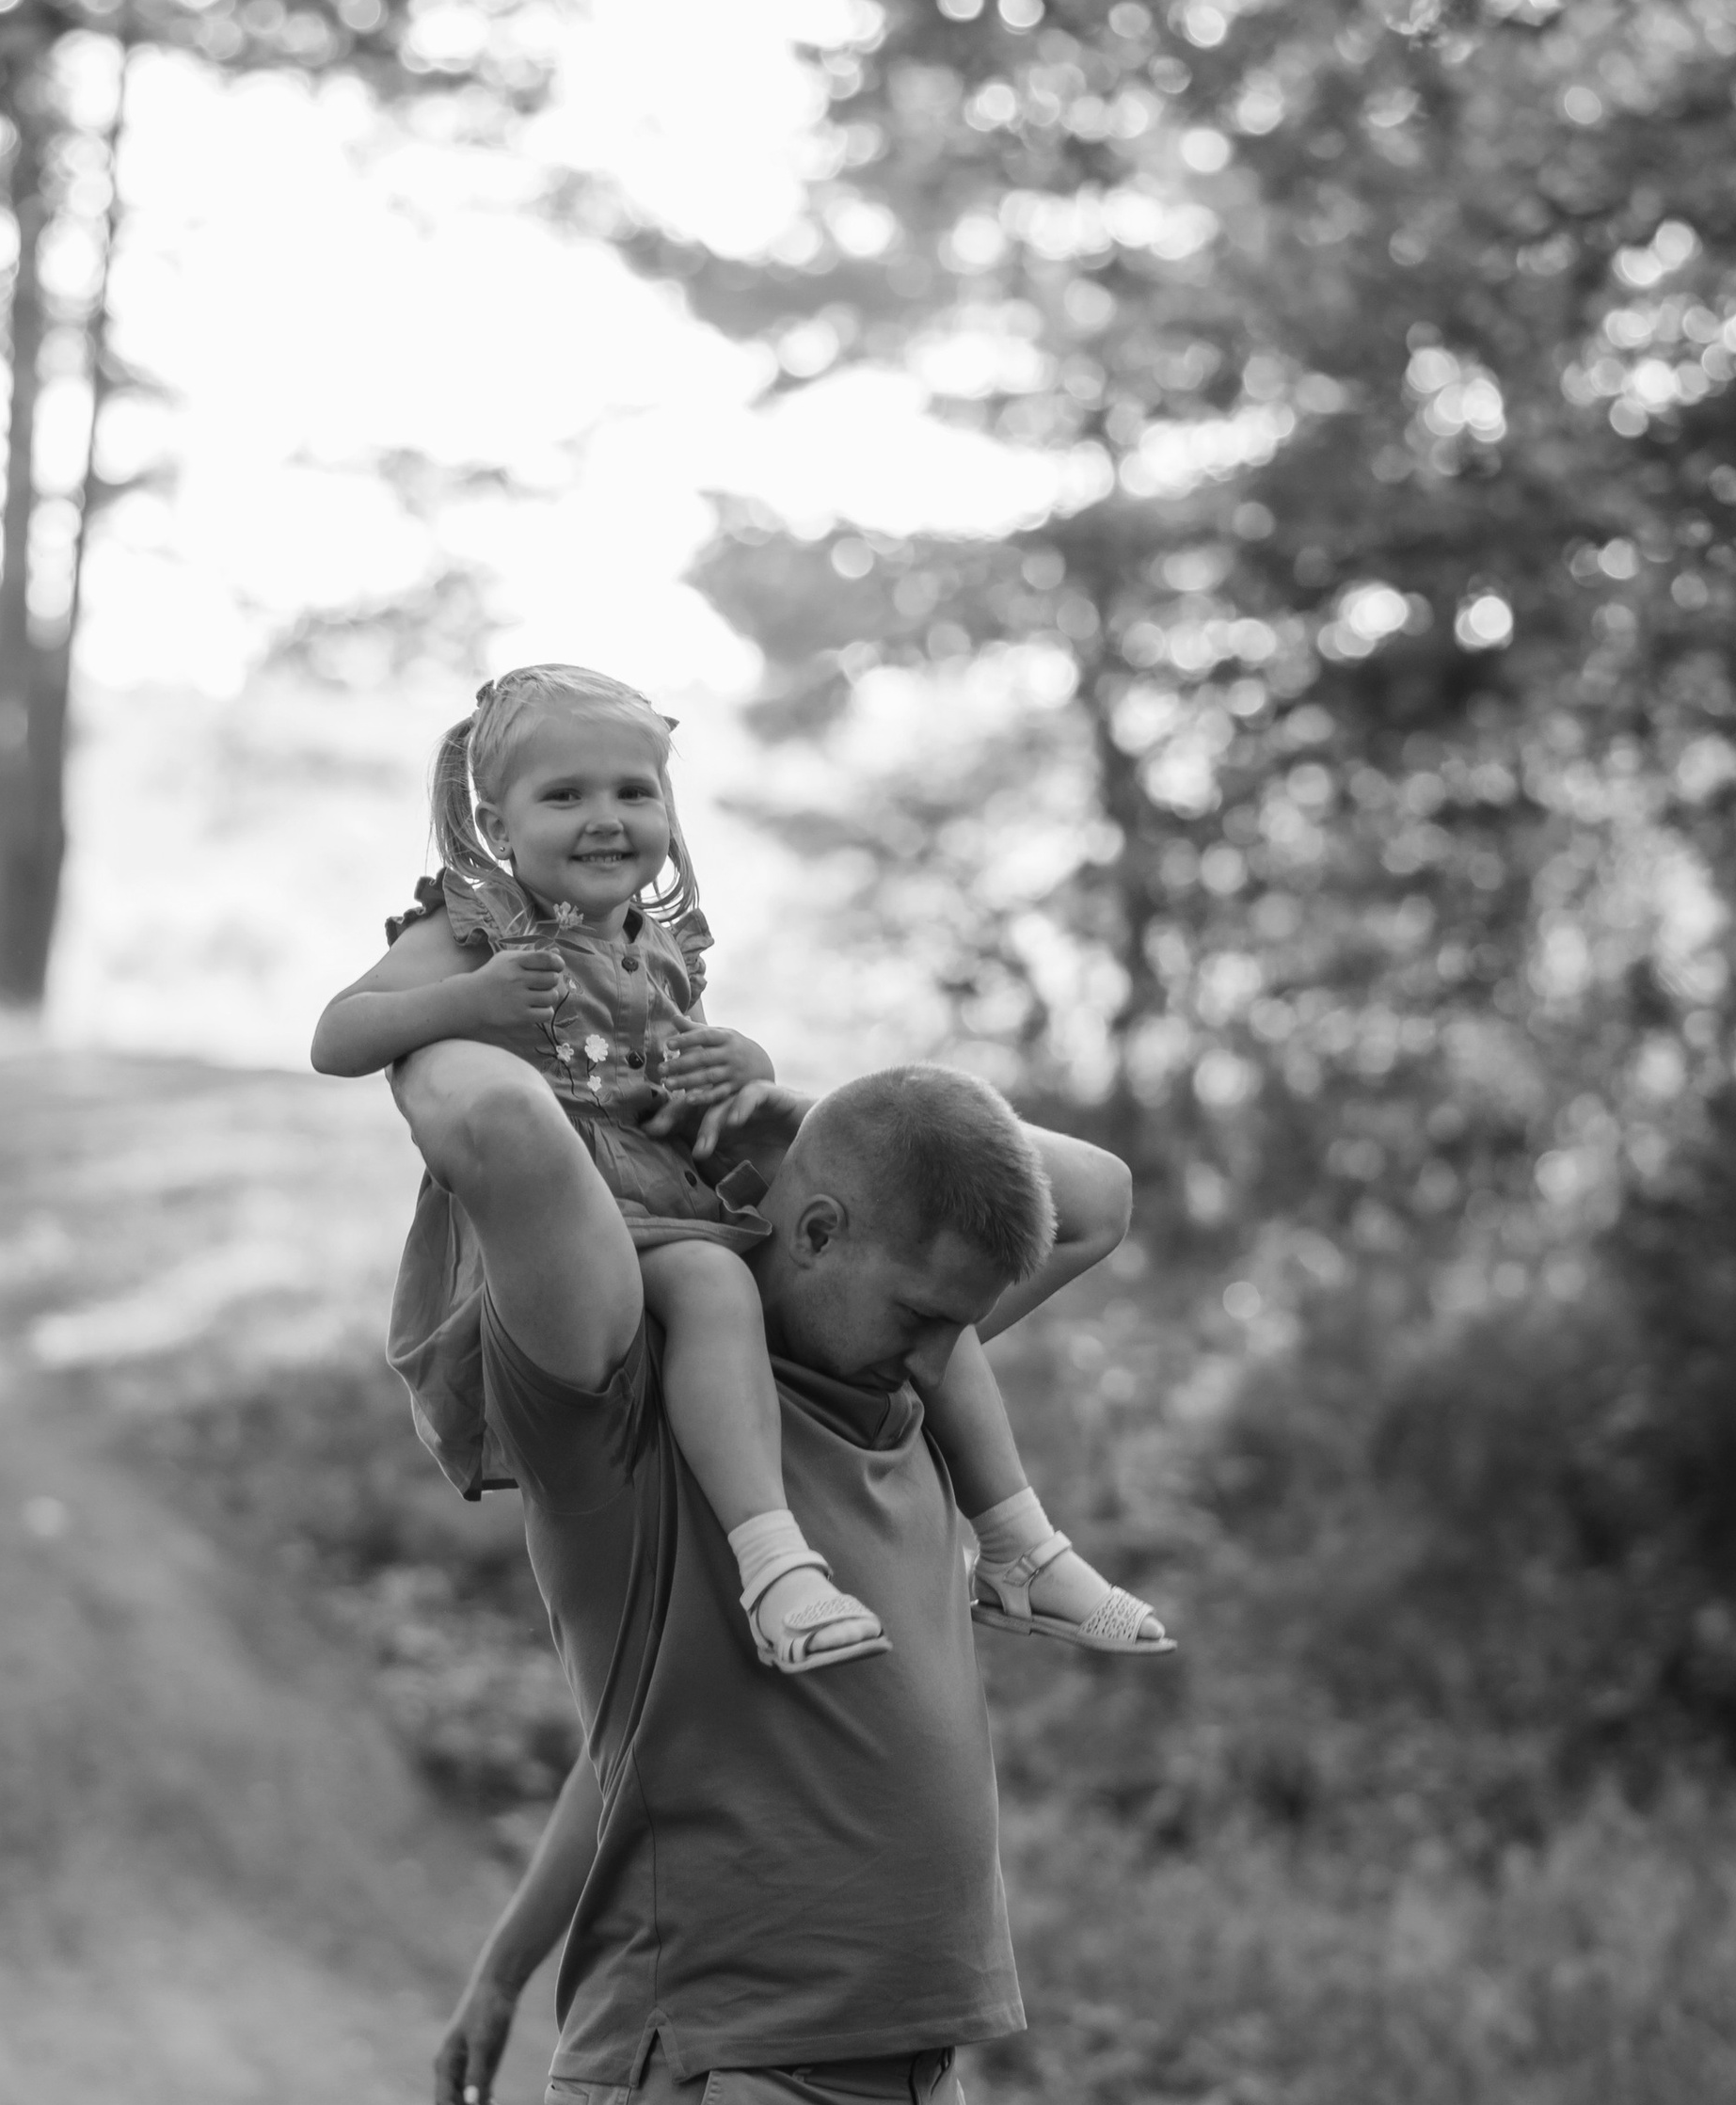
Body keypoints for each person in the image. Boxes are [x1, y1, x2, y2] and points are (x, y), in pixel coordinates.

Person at [397, 1029, 1141, 2105]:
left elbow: (1091, 1194)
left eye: (966, 1317)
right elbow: (486, 1113)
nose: (950, 1347)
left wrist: (787, 1103)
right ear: (800, 1233)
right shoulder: (633, 1407)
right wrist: (638, 1077)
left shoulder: (895, 1382)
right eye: (917, 1309)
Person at [312, 662, 1163, 1670]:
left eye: (634, 791)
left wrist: (740, 1068)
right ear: (499, 829)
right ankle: (775, 1566)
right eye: (564, 795)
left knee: (923, 1291)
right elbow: (339, 1035)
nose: (605, 817)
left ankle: (1020, 1543)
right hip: (578, 1237)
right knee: (715, 1282)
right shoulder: (471, 931)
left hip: (685, 1191)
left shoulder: (661, 944)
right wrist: (465, 1006)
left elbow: (693, 1074)